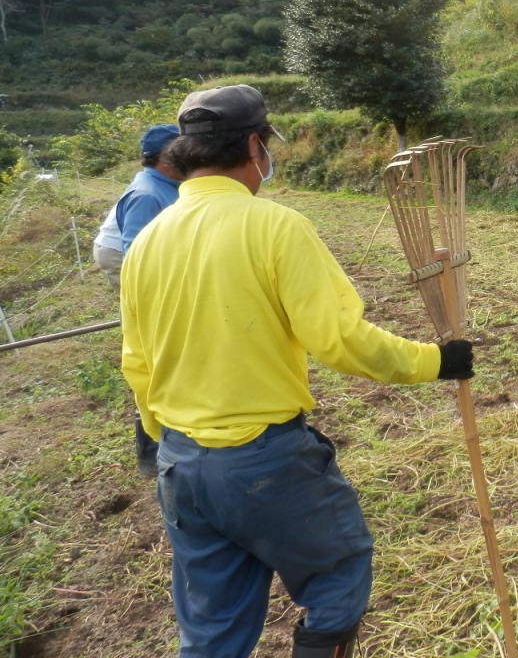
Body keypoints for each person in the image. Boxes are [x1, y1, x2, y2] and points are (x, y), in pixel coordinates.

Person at [119, 83, 474, 658]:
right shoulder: (275, 227)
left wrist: (170, 445)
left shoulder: (148, 241)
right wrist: (437, 360)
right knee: (337, 577)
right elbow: (340, 341)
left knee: (211, 632)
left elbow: (135, 363)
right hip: (262, 460)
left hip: (180, 466)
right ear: (256, 146)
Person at [91, 123, 182, 479]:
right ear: (166, 159)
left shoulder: (166, 184)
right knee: (155, 346)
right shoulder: (148, 193)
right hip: (121, 258)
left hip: (134, 256)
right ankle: (151, 448)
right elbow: (138, 255)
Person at [92, 124, 182, 290]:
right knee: (143, 300)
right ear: (165, 158)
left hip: (125, 249)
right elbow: (135, 249)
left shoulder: (162, 184)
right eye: (183, 152)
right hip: (117, 253)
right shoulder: (147, 195)